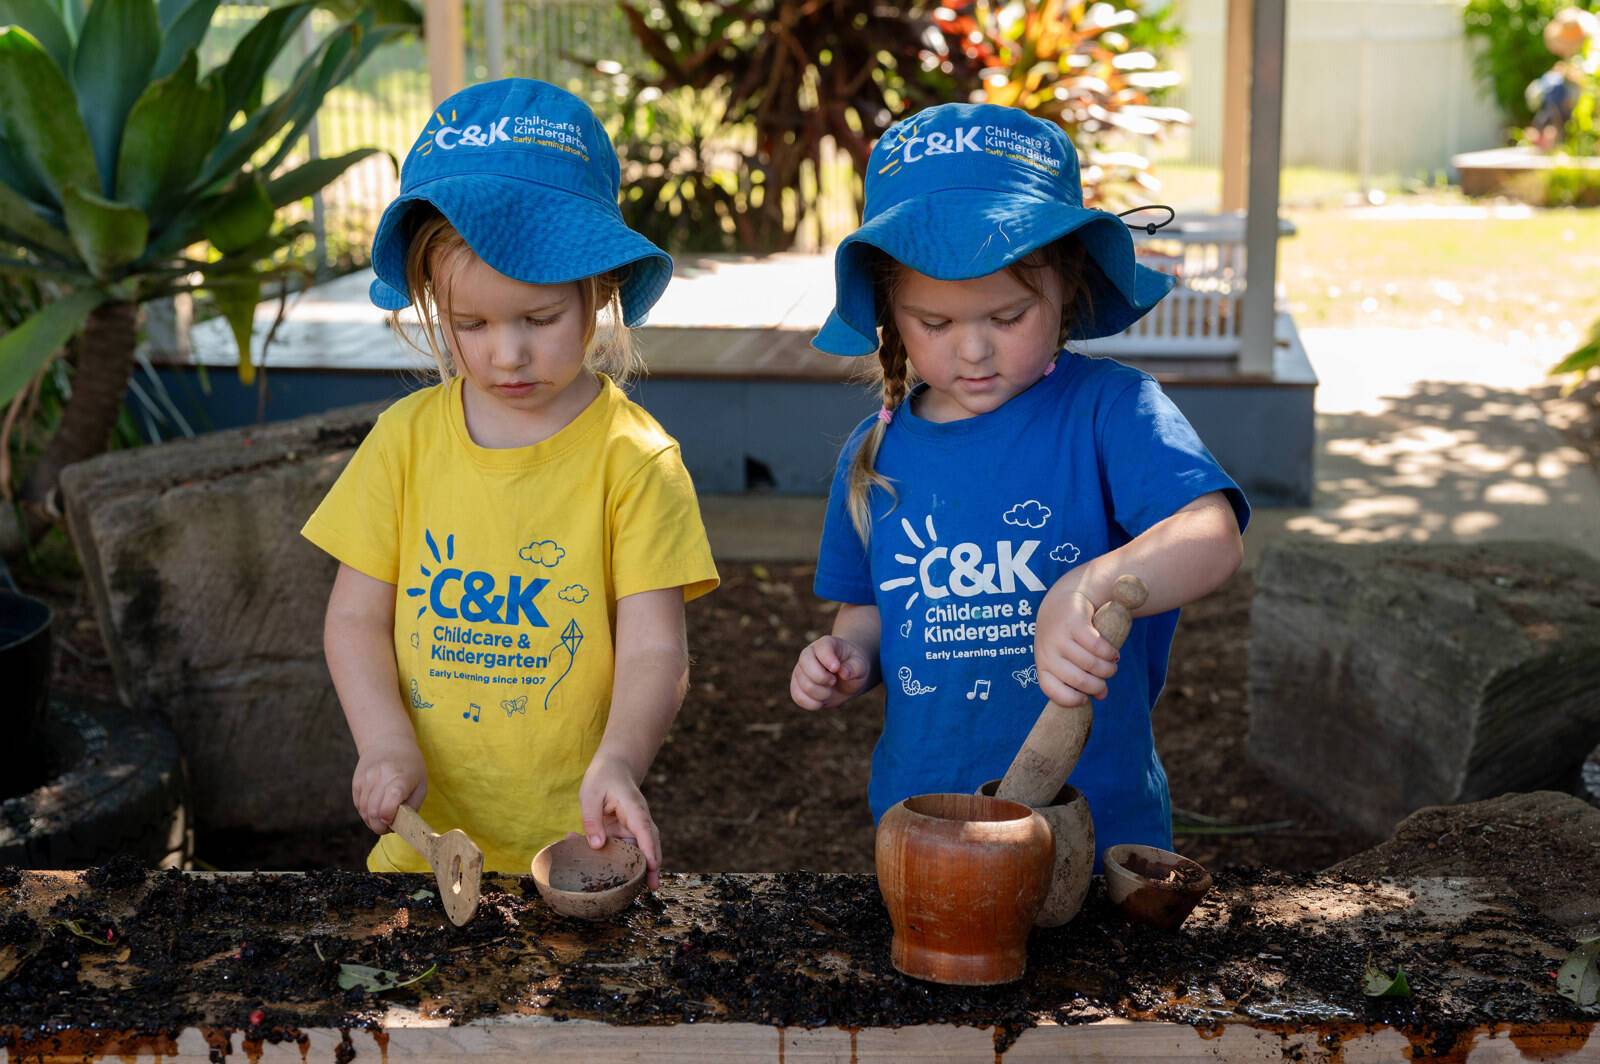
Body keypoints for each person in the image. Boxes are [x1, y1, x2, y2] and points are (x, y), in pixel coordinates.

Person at [789, 102, 1248, 864]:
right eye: (934, 324)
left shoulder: (1112, 410)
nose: (973, 351)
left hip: (1099, 828)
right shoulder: (875, 456)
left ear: (1065, 289)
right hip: (928, 826)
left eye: (1007, 316)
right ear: (889, 317)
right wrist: (848, 659)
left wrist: (1090, 586)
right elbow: (865, 609)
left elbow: (1212, 535)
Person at [303, 78, 718, 886]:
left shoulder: (634, 460)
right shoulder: (404, 441)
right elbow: (354, 621)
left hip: (574, 851)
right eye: (471, 325)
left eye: (539, 319)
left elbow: (656, 650)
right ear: (431, 306)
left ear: (599, 290)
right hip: (422, 852)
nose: (507, 355)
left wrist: (622, 762)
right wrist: (384, 741)